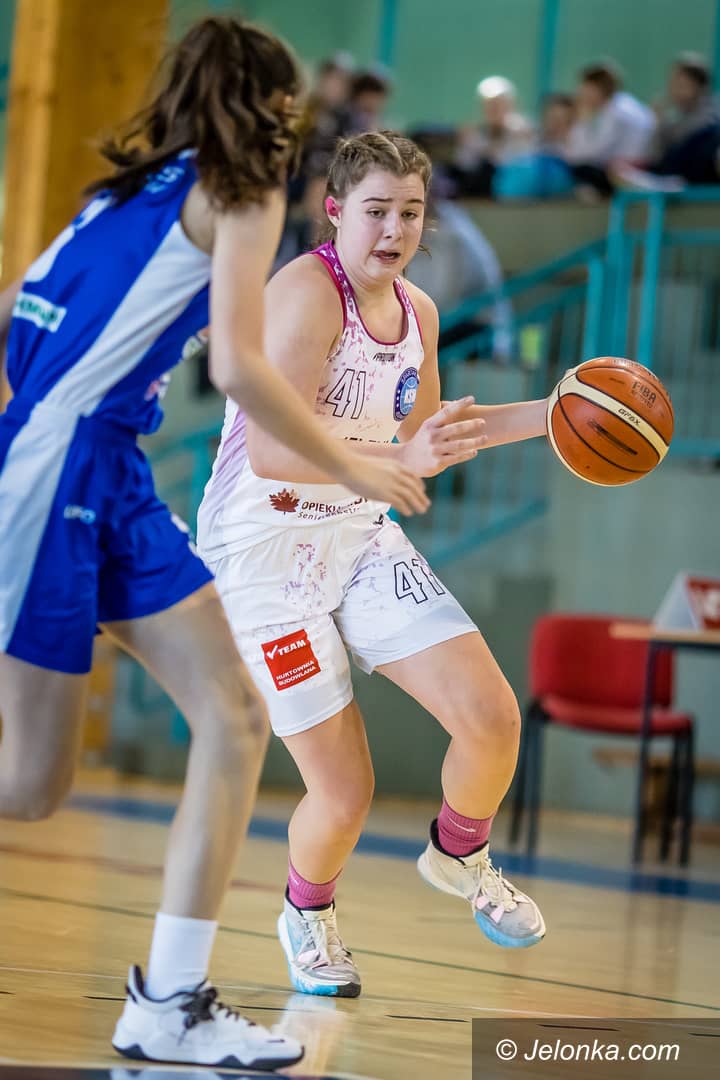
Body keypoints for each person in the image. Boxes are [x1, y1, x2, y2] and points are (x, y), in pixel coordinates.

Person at [0, 18, 428, 1069]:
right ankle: (171, 1000)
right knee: (29, 786)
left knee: (234, 715)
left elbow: (14, 313)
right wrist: (356, 464)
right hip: (59, 470)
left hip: (104, 468)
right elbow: (238, 367)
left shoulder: (111, 198)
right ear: (271, 105)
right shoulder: (243, 190)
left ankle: (170, 1003)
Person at [197, 131, 547, 1000]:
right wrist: (394, 462)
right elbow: (274, 455)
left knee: (493, 718)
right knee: (346, 792)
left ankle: (460, 853)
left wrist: (558, 409)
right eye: (377, 211)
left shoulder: (419, 311)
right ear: (336, 212)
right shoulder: (305, 294)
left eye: (411, 213)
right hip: (265, 555)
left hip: (357, 536)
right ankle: (307, 915)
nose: (394, 230)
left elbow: (428, 438)